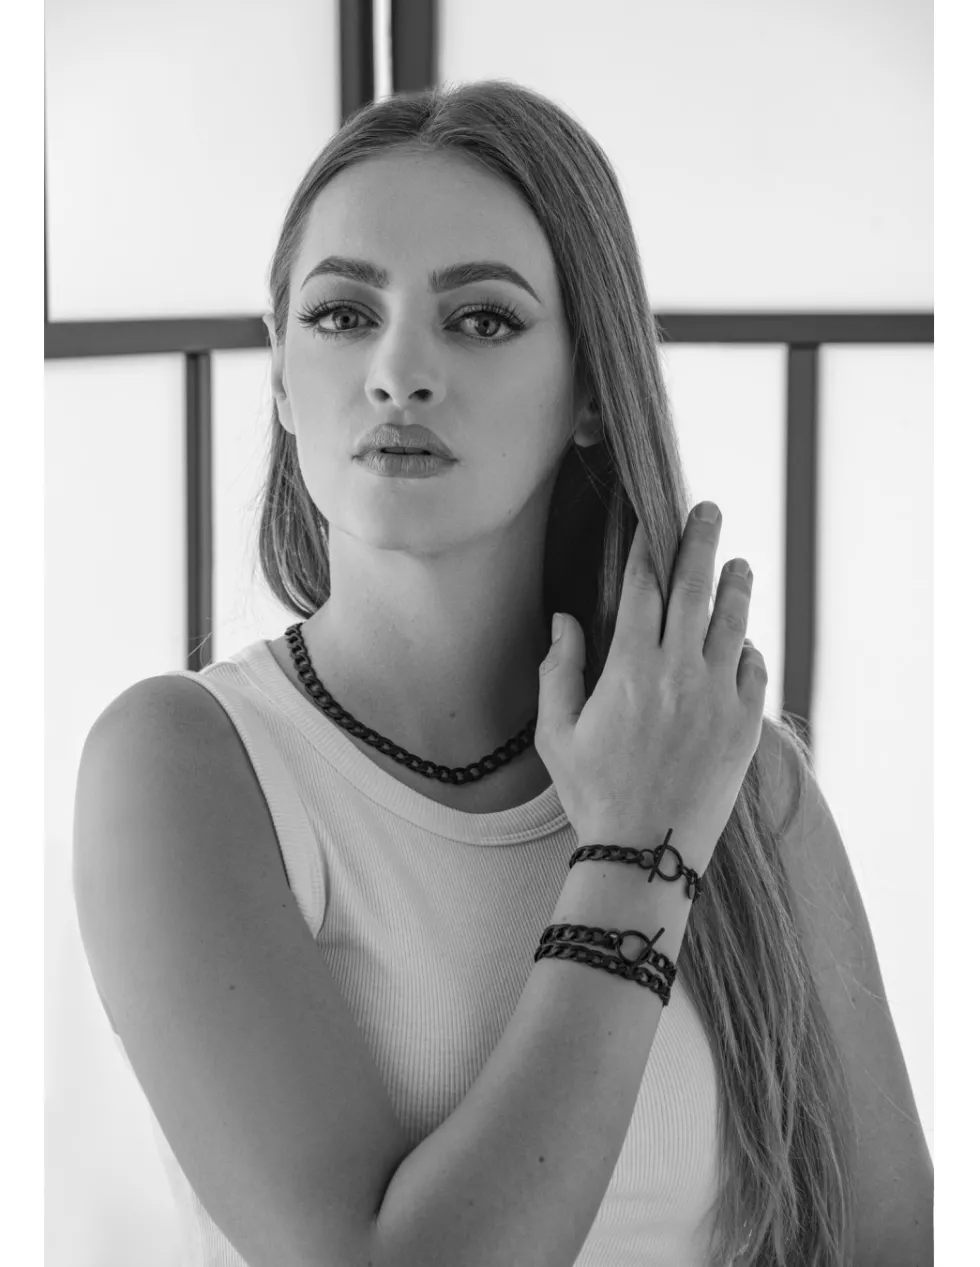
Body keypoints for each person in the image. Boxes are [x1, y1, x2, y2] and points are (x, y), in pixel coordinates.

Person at [72, 81, 931, 1267]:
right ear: (277, 373)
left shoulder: (740, 779)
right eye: (341, 314)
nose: (397, 372)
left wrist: (674, 812)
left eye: (480, 318)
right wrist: (635, 853)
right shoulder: (181, 764)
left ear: (591, 390)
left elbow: (888, 1237)